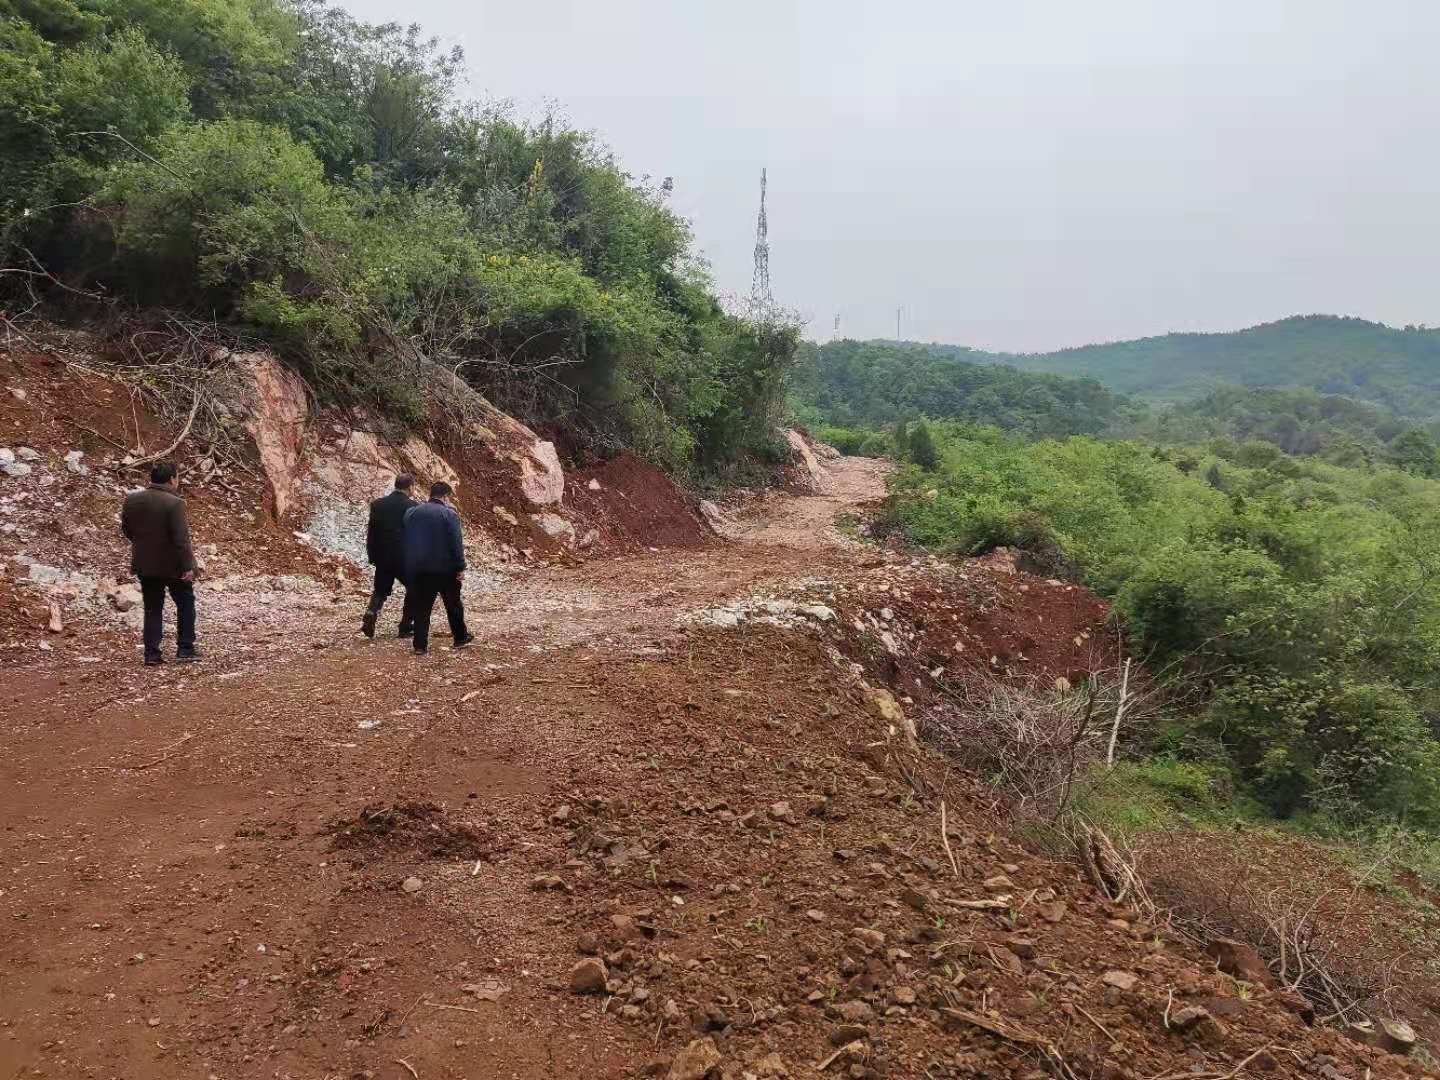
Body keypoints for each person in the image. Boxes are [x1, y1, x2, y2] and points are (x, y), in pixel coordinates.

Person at [120, 460, 198, 666]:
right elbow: (181, 539)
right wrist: (188, 566)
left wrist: (144, 545)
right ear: (172, 479)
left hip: (145, 564)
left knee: (152, 608)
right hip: (173, 565)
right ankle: (185, 648)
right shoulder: (175, 503)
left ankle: (152, 654)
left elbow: (127, 530)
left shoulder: (132, 500)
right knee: (185, 603)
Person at [402, 481, 474, 655]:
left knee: (422, 607)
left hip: (420, 568)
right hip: (446, 569)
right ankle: (460, 637)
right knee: (453, 604)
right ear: (445, 496)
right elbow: (456, 543)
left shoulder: (412, 512)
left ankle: (420, 645)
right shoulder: (449, 514)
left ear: (431, 494)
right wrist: (460, 566)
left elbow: (406, 539)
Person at [362, 473, 416, 639]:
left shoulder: (378, 504)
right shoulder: (413, 506)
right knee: (415, 588)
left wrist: (372, 555)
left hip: (383, 556)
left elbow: (371, 533)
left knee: (380, 589)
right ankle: (406, 625)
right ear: (410, 487)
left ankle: (372, 612)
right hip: (403, 558)